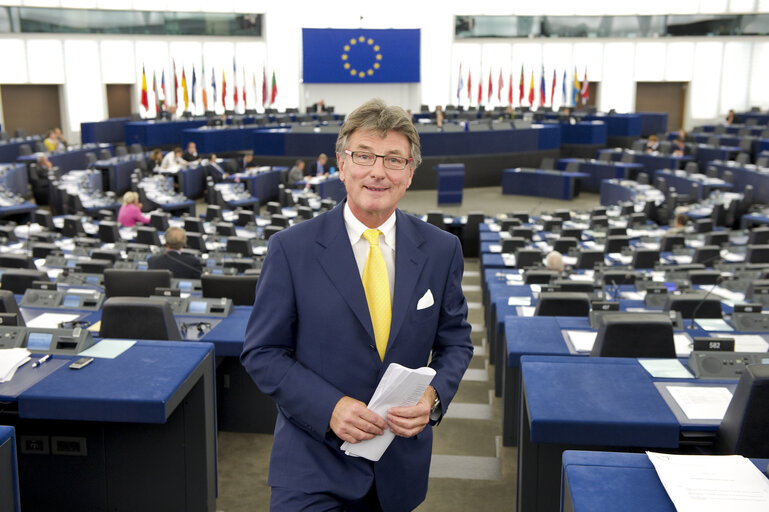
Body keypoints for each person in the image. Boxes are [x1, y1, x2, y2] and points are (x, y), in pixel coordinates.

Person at [241, 99, 474, 511]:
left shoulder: (442, 250)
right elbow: (263, 352)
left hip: (398, 470)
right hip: (313, 463)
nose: (378, 172)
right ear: (342, 163)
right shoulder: (290, 249)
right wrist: (329, 407)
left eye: (394, 160)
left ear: (409, 173)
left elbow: (456, 343)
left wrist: (433, 396)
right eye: (364, 155)